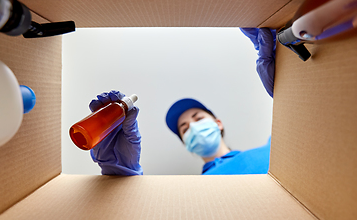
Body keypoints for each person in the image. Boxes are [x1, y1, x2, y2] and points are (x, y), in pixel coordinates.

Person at [89, 27, 276, 175]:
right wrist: (120, 173)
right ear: (187, 144)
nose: (193, 127)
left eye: (198, 118)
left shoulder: (271, 151)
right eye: (185, 129)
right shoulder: (194, 192)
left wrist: (284, 86)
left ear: (218, 123)